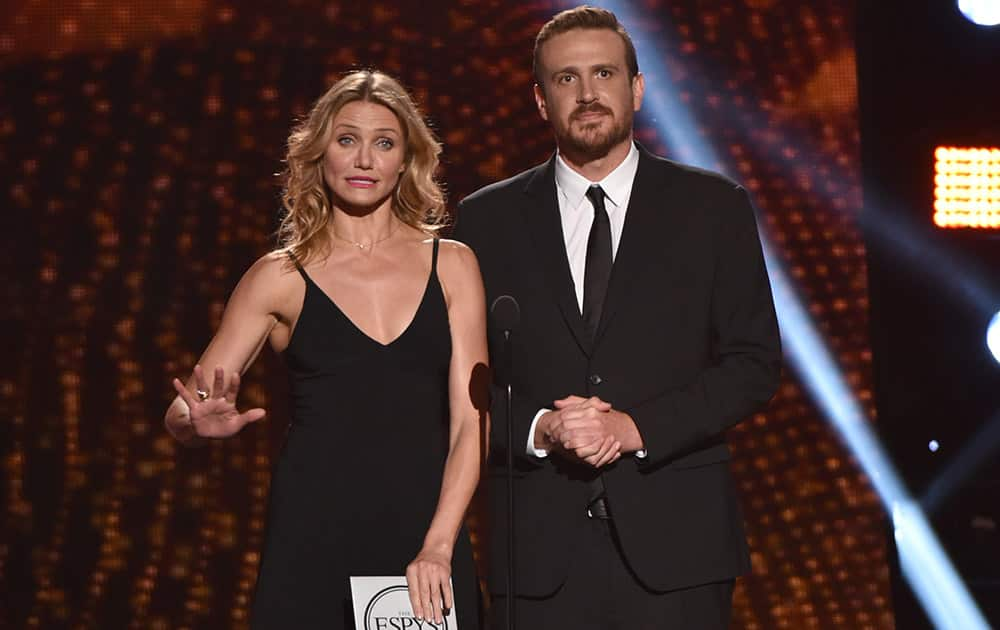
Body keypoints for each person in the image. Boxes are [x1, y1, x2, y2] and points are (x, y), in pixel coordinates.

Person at [453, 6, 781, 629]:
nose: (587, 93)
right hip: (536, 556)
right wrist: (541, 427)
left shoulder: (714, 208)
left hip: (680, 552)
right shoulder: (485, 221)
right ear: (540, 100)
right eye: (565, 78)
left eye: (603, 73)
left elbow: (752, 365)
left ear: (636, 87)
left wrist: (636, 428)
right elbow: (458, 383)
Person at [164, 70, 487, 629]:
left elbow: (471, 422)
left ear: (406, 158)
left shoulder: (453, 265)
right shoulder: (278, 276)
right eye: (347, 139)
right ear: (319, 154)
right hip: (312, 535)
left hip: (425, 540)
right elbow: (186, 407)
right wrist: (196, 425)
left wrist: (438, 544)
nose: (364, 159)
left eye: (383, 142)